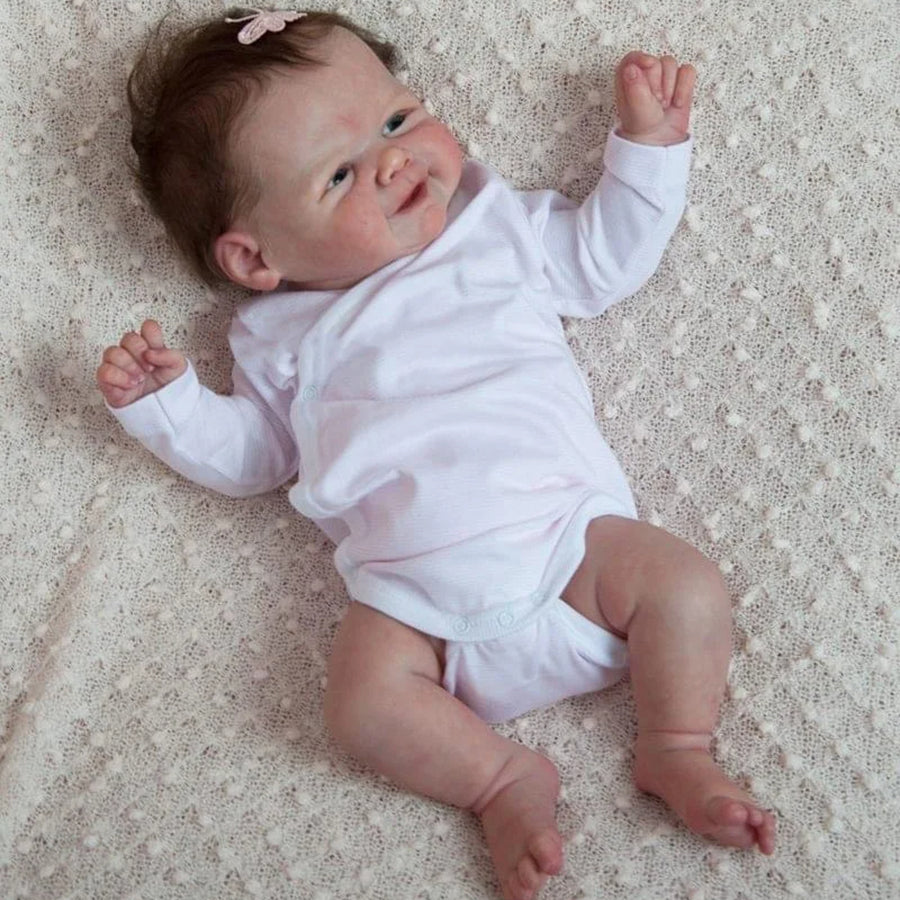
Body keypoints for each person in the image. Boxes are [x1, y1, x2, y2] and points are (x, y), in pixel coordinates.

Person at [97, 9, 776, 899]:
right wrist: (170, 407)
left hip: (570, 545)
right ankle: (498, 780)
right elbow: (258, 457)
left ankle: (676, 745)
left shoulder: (490, 226)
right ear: (256, 261)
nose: (394, 161)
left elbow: (599, 261)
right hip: (411, 607)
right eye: (340, 175)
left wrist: (647, 150)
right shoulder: (278, 337)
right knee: (358, 708)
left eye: (397, 119)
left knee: (685, 586)